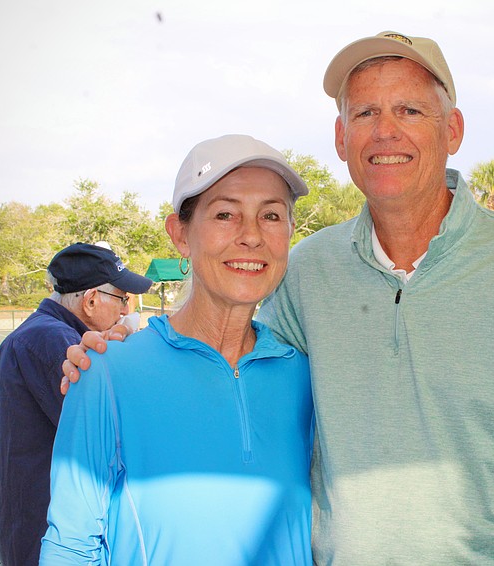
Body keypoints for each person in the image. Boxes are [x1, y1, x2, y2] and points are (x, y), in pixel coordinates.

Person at [65, 32, 494, 564]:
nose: (386, 132)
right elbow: (227, 343)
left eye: (409, 110)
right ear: (341, 139)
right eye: (365, 113)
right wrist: (123, 343)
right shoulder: (307, 270)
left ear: (452, 130)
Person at [40, 135, 314, 565]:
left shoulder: (307, 376)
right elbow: (70, 545)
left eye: (271, 216)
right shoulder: (105, 373)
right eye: (225, 214)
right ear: (180, 234)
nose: (251, 236)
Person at [0, 242, 152, 566]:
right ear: (91, 300)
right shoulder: (59, 342)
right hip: (51, 535)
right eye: (122, 298)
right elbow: (117, 431)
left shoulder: (34, 333)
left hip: (30, 525)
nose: (125, 310)